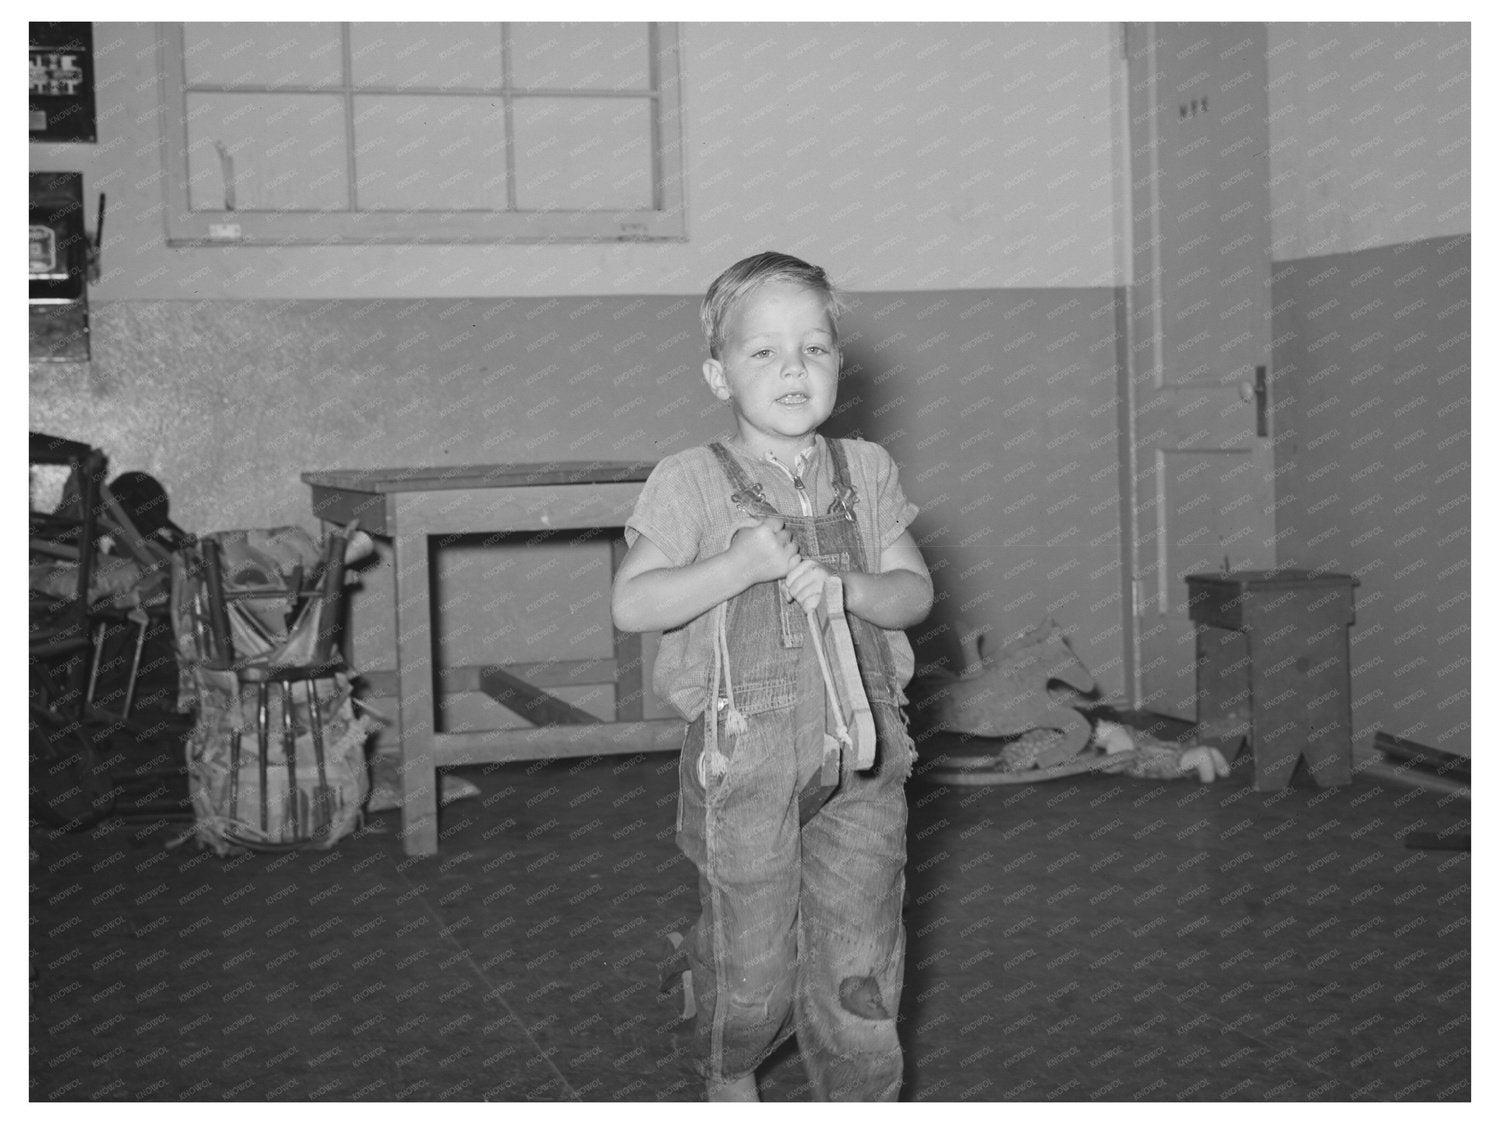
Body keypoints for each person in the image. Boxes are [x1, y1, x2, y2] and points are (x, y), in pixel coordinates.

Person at [612, 251, 933, 1101]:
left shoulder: (865, 471)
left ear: (838, 364)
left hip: (864, 759)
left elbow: (913, 593)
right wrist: (738, 565)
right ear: (719, 374)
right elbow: (633, 604)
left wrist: (850, 587)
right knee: (753, 968)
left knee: (863, 961)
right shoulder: (690, 480)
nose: (794, 368)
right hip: (744, 765)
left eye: (814, 348)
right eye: (764, 351)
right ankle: (728, 1062)